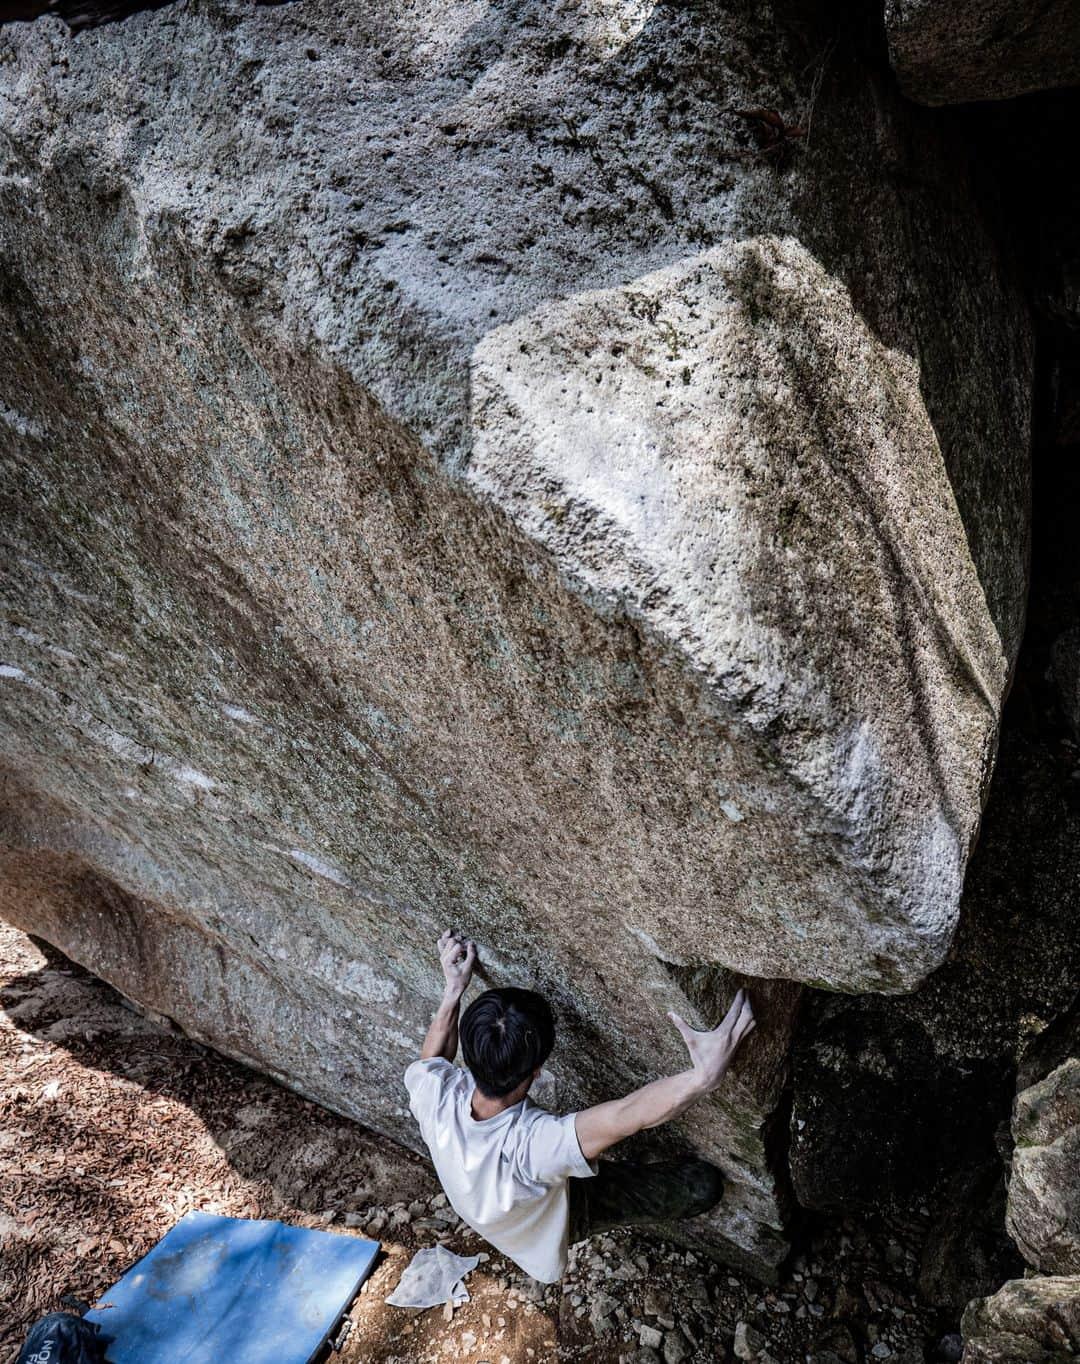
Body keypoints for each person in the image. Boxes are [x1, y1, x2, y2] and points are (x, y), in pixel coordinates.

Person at [404, 929, 756, 1283]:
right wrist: (703, 1078)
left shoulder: (434, 1094)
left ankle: (589, 1163)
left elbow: (432, 1058)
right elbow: (624, 1117)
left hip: (489, 1202)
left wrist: (453, 989)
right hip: (561, 1214)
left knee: (582, 1153)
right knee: (703, 1185)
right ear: (538, 1069)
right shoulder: (531, 1148)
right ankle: (596, 1173)